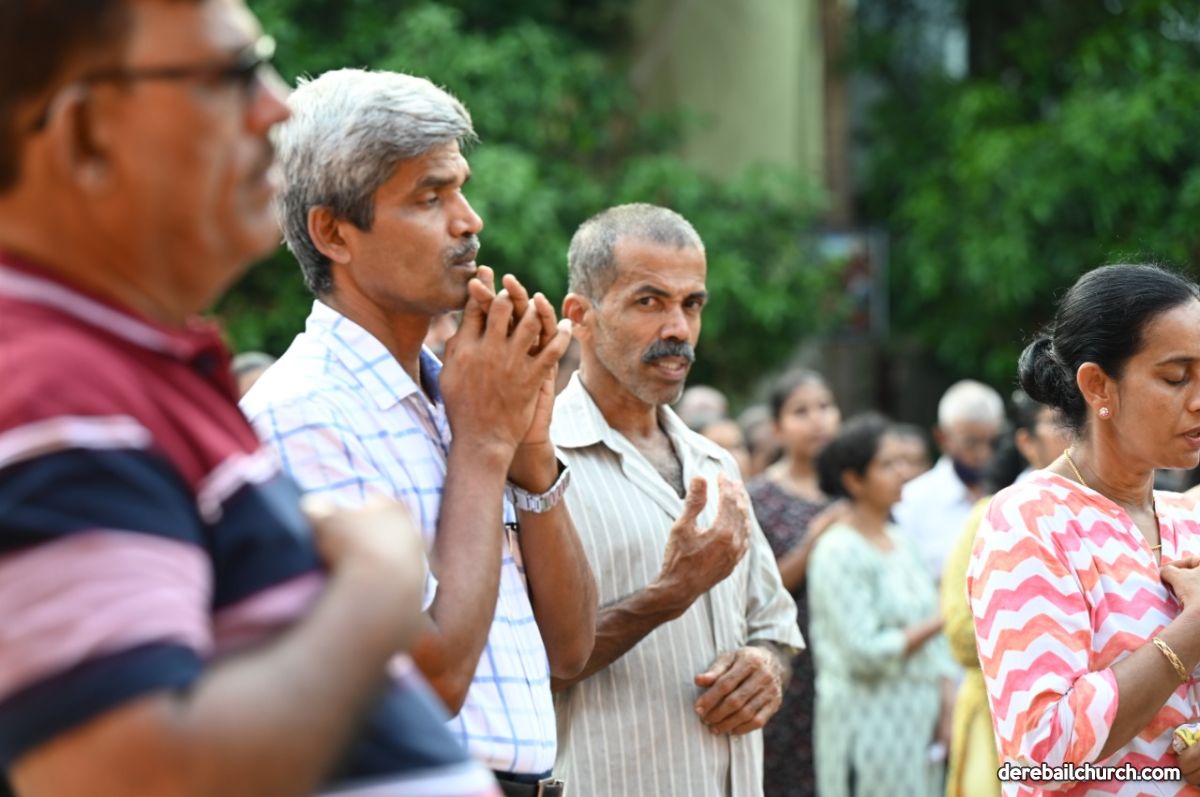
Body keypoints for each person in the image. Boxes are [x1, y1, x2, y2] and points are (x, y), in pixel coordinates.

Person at [0, 2, 499, 796]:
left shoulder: (121, 369)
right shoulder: (53, 390)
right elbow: (130, 776)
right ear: (87, 134)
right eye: (232, 74)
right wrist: (375, 591)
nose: (275, 109)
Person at [240, 68, 596, 794]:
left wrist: (527, 448)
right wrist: (485, 446)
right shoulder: (304, 414)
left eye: (460, 189)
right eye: (429, 198)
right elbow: (428, 684)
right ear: (333, 232)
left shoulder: (458, 397)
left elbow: (570, 649)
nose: (469, 221)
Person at [549, 203, 803, 797]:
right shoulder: (538, 464)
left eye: (692, 304)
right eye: (649, 301)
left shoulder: (715, 464)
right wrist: (671, 593)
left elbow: (774, 627)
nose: (679, 329)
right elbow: (526, 666)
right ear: (580, 315)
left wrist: (766, 667)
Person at [969, 264, 1200, 795]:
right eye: (1176, 377)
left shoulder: (1186, 518)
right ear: (1098, 385)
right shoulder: (1030, 520)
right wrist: (1192, 630)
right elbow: (1042, 755)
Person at [808, 414, 957, 797]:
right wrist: (940, 620)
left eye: (903, 461)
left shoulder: (901, 540)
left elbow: (936, 647)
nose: (903, 473)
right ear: (853, 480)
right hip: (866, 726)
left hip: (918, 723)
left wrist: (946, 706)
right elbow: (863, 652)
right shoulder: (837, 550)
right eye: (887, 464)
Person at [941, 392, 1069, 797]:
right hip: (998, 721)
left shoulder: (1119, 515)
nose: (1076, 431)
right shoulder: (992, 516)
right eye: (1059, 421)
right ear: (1026, 442)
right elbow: (961, 634)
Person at [746, 368, 841, 797]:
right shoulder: (759, 497)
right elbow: (756, 592)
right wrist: (811, 545)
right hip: (789, 666)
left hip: (847, 668)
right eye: (801, 412)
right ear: (777, 427)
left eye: (825, 407)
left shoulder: (851, 488)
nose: (818, 420)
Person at [895, 379, 1005, 582]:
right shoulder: (911, 502)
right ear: (942, 438)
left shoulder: (1012, 494)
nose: (984, 453)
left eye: (993, 442)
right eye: (971, 442)